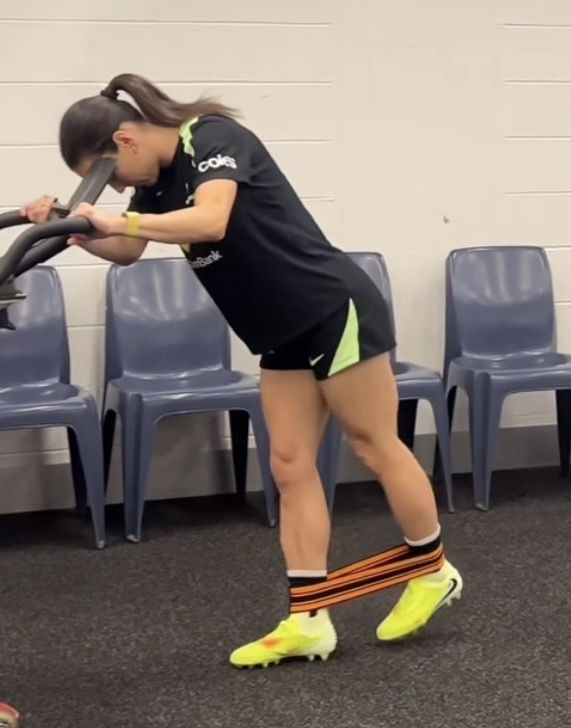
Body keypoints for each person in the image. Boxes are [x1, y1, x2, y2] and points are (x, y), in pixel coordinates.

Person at [24, 73, 463, 668]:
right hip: (279, 329)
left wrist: (116, 221)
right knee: (288, 464)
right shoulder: (156, 181)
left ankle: (432, 570)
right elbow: (126, 250)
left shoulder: (210, 137)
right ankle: (308, 619)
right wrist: (69, 225)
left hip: (332, 310)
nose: (118, 189)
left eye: (110, 175)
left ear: (126, 140)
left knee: (373, 443)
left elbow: (211, 221)